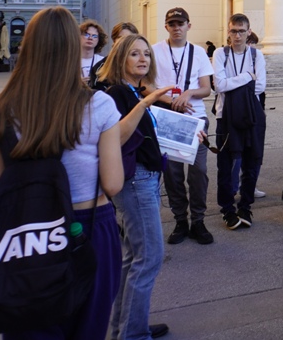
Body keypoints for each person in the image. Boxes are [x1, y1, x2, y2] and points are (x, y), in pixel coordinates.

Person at [0, 7, 124, 339]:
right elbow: (112, 183)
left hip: (26, 234)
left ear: (28, 48)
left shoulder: (1, 110)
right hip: (88, 226)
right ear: (73, 50)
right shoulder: (98, 105)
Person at [98, 35, 175, 340]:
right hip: (136, 180)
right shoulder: (117, 92)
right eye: (134, 54)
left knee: (133, 256)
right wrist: (145, 103)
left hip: (143, 177)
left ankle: (128, 326)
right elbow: (116, 136)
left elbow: (144, 135)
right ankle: (132, 334)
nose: (143, 59)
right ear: (120, 58)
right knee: (149, 257)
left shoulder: (131, 90)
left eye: (146, 54)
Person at [152, 7, 215, 245]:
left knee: (198, 172)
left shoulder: (198, 52)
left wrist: (188, 93)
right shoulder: (155, 50)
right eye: (172, 24)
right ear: (166, 27)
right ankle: (180, 220)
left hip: (195, 118)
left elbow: (206, 88)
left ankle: (198, 220)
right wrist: (171, 101)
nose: (176, 28)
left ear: (189, 25)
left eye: (180, 23)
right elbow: (146, 86)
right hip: (167, 118)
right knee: (172, 173)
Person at [212, 14, 267, 230]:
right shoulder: (220, 53)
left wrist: (233, 83)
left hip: (251, 115)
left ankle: (245, 206)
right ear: (228, 32)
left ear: (248, 32)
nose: (237, 35)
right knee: (226, 164)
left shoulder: (256, 55)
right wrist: (247, 77)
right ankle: (227, 209)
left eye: (241, 31)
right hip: (225, 116)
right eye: (233, 31)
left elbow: (260, 86)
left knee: (251, 162)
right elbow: (219, 85)